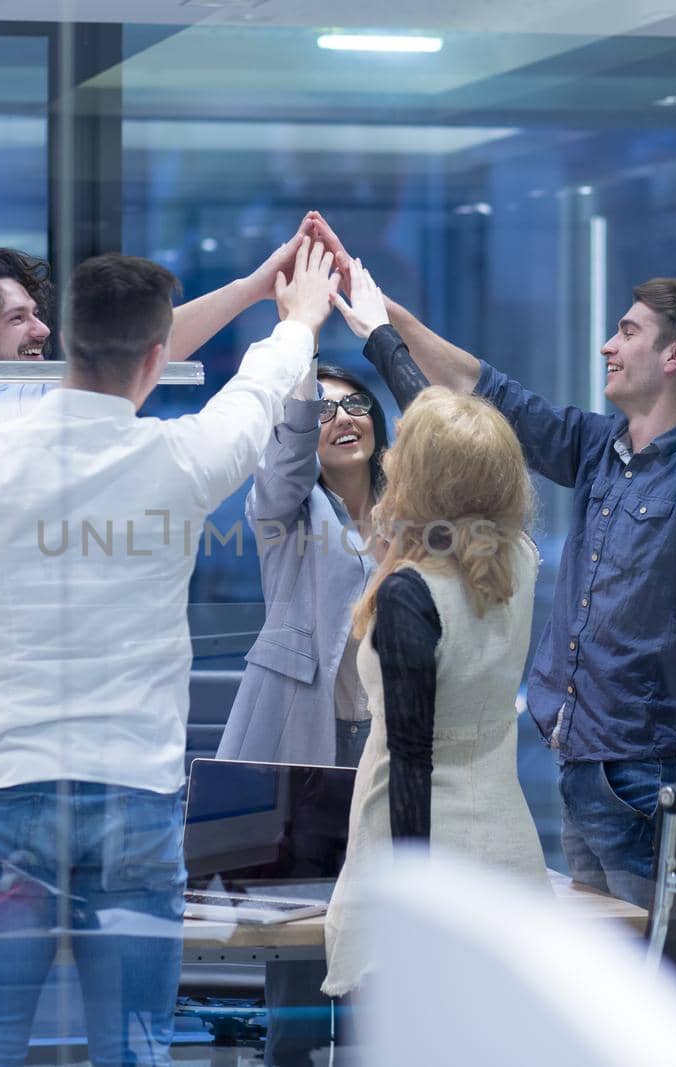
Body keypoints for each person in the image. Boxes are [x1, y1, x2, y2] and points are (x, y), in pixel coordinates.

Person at [0, 240, 342, 1065]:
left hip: (7, 798)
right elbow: (259, 390)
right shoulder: (178, 460)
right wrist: (297, 319)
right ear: (157, 359)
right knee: (135, 1052)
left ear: (65, 345)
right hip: (134, 803)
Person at [321, 217, 676, 908]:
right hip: (580, 770)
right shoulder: (599, 448)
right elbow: (492, 393)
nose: (608, 344)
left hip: (650, 778)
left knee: (646, 981)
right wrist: (386, 318)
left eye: (628, 332)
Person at [320, 386, 549, 1002]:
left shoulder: (409, 595)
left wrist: (413, 909)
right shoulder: (521, 560)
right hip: (509, 859)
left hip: (418, 869)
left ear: (420, 480)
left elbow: (410, 763)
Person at [214, 361, 390, 1065]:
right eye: (324, 410)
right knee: (297, 934)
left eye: (355, 406)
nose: (342, 419)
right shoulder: (283, 505)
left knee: (382, 934)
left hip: (385, 740)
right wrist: (301, 355)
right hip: (304, 740)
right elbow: (285, 459)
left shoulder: (416, 507)